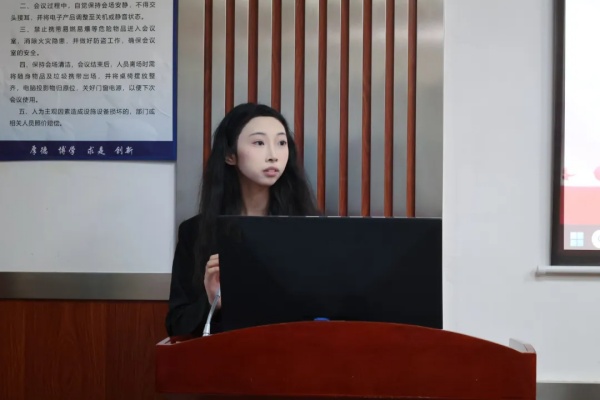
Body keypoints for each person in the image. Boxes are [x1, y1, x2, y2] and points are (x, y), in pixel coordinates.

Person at [165, 103, 319, 336]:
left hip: (292, 351)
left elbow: (325, 312)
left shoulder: (310, 228)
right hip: (225, 354)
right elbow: (177, 325)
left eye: (281, 143)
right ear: (230, 155)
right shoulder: (195, 232)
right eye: (259, 143)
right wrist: (213, 302)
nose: (273, 155)